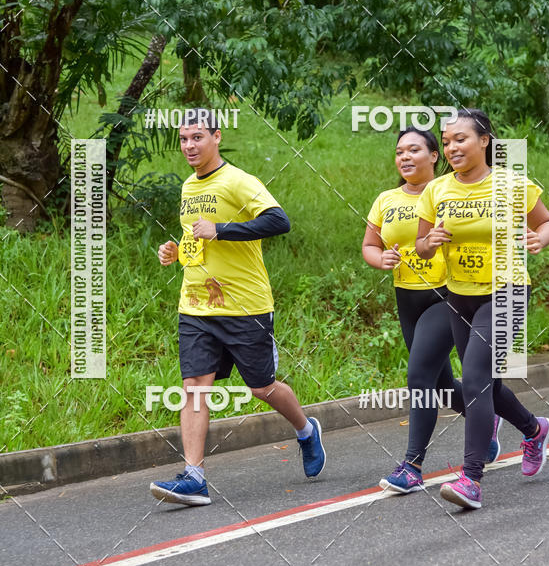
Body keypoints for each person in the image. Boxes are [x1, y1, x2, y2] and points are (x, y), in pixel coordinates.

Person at [150, 109, 325, 506]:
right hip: (196, 305)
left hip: (245, 306)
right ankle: (194, 477)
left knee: (261, 387)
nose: (189, 146)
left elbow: (279, 221)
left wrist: (222, 230)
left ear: (217, 136)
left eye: (197, 137)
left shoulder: (238, 181)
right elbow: (198, 241)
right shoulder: (188, 187)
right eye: (183, 139)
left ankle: (306, 430)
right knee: (194, 388)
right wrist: (176, 252)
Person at [415, 108, 549, 509]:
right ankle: (534, 429)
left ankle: (471, 479)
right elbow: (421, 247)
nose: (451, 148)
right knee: (487, 386)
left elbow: (547, 222)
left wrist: (540, 238)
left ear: (484, 140)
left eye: (460, 139)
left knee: (475, 378)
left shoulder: (512, 184)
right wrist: (431, 243)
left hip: (507, 291)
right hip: (460, 294)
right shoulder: (436, 190)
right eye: (446, 142)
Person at [362, 127, 501, 496]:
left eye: (414, 150)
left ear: (434, 156)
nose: (405, 157)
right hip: (406, 297)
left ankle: (412, 466)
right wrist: (380, 259)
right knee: (440, 384)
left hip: (445, 294)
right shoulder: (386, 199)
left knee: (419, 375)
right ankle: (498, 423)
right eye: (399, 152)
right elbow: (370, 244)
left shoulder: (447, 192)